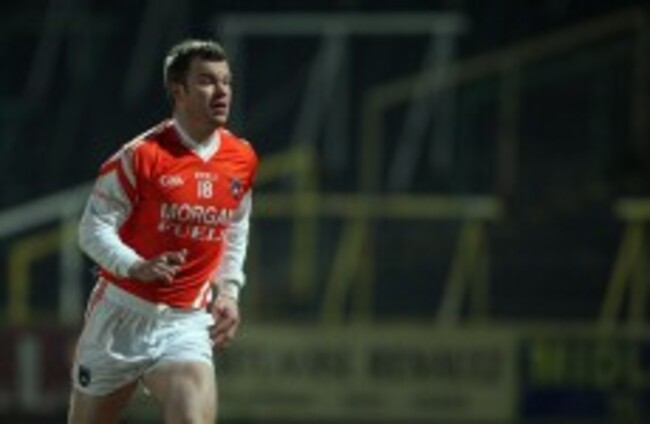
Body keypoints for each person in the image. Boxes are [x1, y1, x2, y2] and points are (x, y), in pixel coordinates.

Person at [68, 39, 258, 424]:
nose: (222, 91)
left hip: (185, 323)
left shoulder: (241, 158)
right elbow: (92, 228)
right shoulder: (141, 155)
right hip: (120, 317)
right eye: (206, 81)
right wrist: (135, 265)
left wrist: (229, 290)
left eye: (226, 81)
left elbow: (235, 225)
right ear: (178, 90)